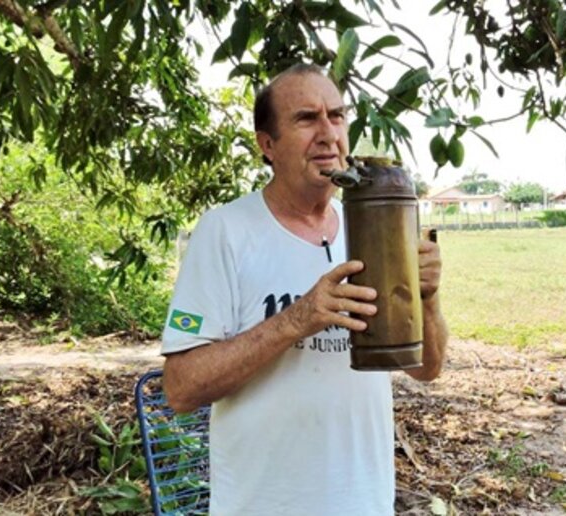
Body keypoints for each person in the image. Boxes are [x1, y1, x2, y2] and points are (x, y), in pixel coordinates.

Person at [161, 63, 448, 516]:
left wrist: (427, 299)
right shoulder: (226, 231)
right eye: (306, 118)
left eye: (336, 116)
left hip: (365, 503)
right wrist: (300, 317)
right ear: (267, 144)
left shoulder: (377, 225)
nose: (328, 133)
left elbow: (427, 368)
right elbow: (180, 389)